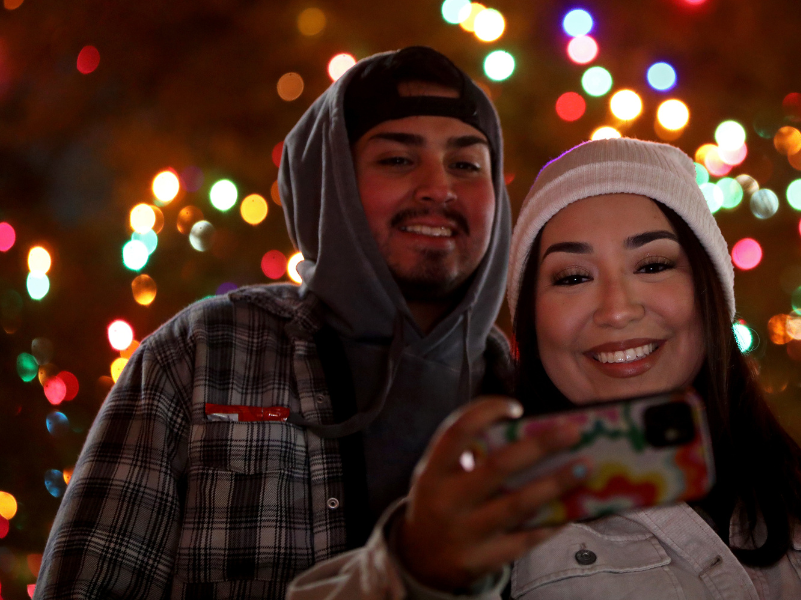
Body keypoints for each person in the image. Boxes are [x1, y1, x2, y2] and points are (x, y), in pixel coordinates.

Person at [287, 138, 801, 599]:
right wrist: (415, 571)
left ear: (709, 293)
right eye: (572, 276)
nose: (616, 309)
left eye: (654, 265)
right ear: (532, 322)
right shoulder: (486, 517)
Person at [34, 46, 534, 599]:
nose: (438, 188)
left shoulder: (529, 393)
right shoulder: (202, 355)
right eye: (397, 159)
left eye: (466, 164)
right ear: (331, 184)